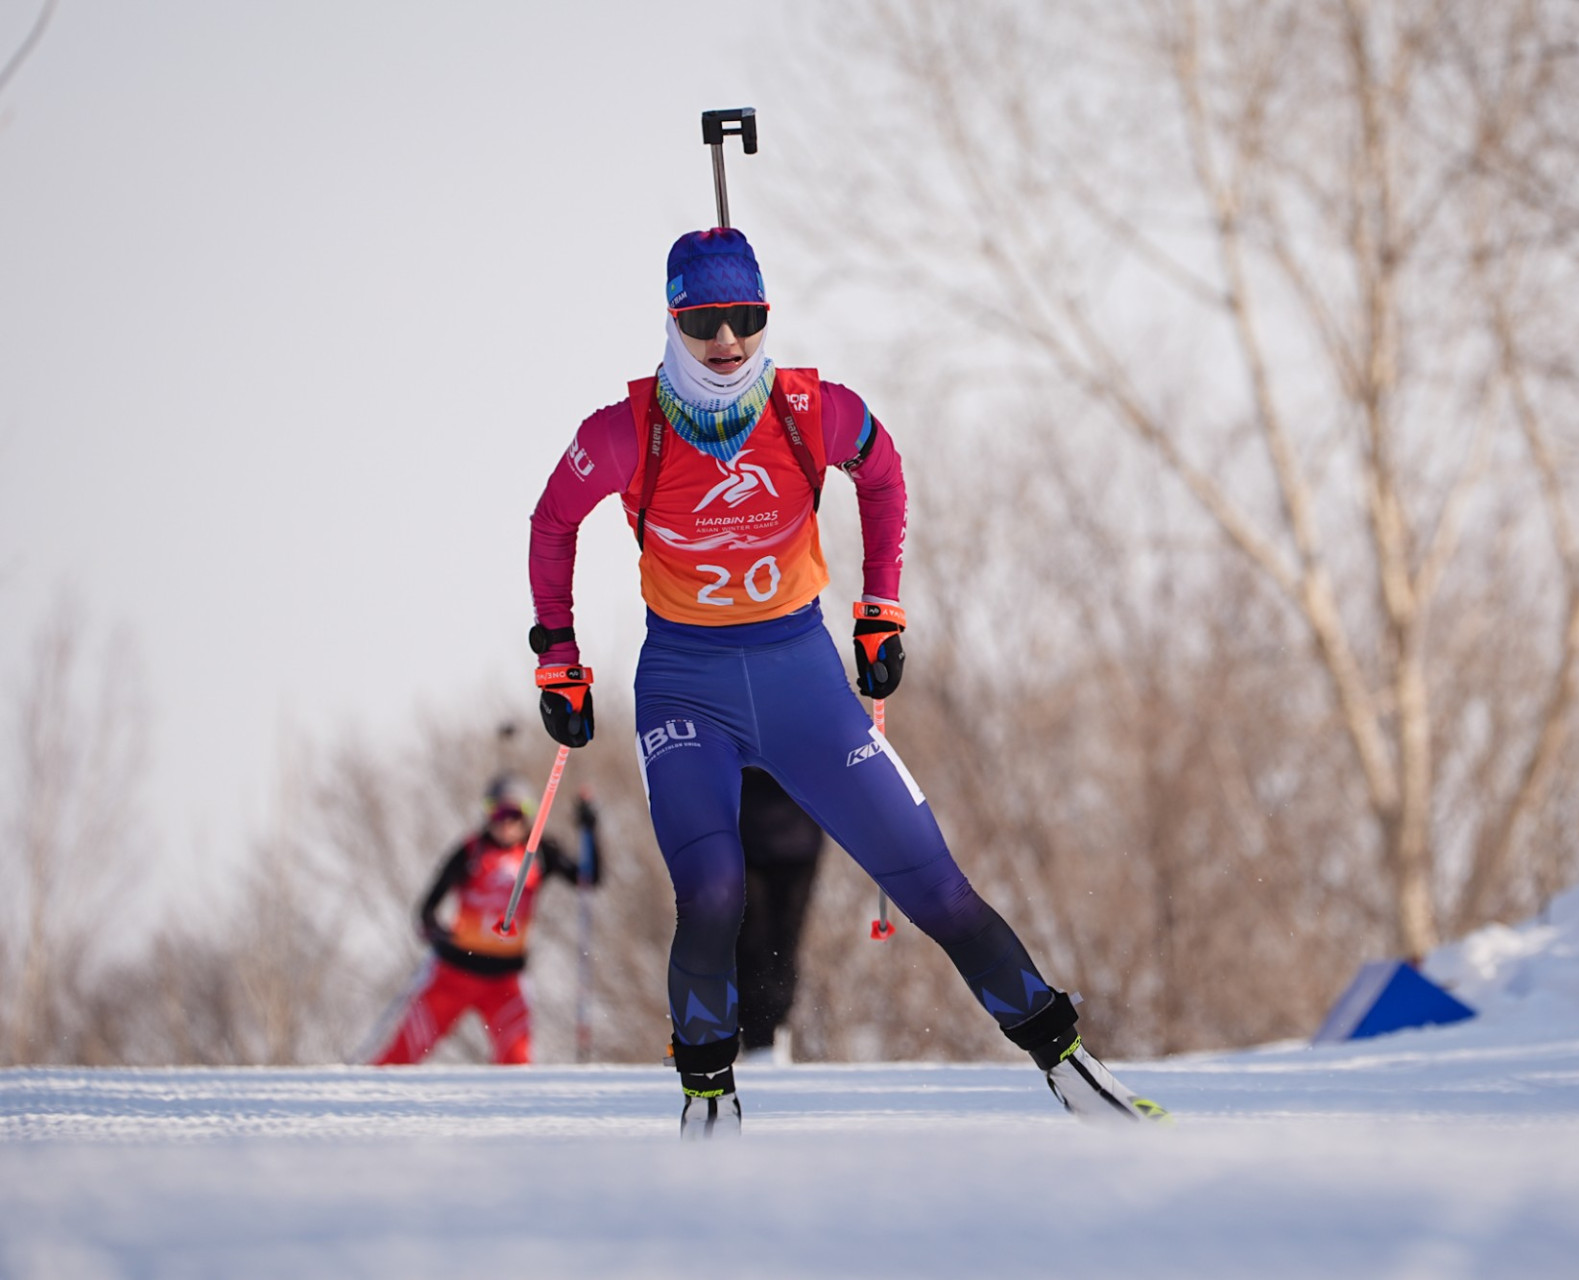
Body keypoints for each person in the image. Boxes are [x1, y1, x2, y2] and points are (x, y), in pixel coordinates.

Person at [526, 226, 1167, 1137]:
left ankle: (1069, 1064)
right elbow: (553, 525)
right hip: (686, 689)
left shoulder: (810, 409)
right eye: (706, 320)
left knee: (936, 886)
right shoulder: (624, 432)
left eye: (746, 316)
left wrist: (882, 607)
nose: (728, 340)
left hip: (803, 682)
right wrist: (559, 655)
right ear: (673, 320)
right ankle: (709, 1101)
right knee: (712, 892)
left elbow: (884, 471)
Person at [371, 775, 599, 1066]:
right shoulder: (470, 851)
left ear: (529, 816)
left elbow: (589, 878)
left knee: (517, 1064)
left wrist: (590, 829)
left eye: (515, 814)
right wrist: (440, 935)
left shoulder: (541, 852)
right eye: (498, 813)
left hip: (506, 981)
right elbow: (427, 911)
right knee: (400, 1058)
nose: (506, 823)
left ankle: (509, 1112)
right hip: (455, 975)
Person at [735, 766, 825, 1065]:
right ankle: (757, 1037)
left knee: (784, 941)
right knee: (750, 940)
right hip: (741, 835)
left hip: (798, 839)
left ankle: (774, 1031)